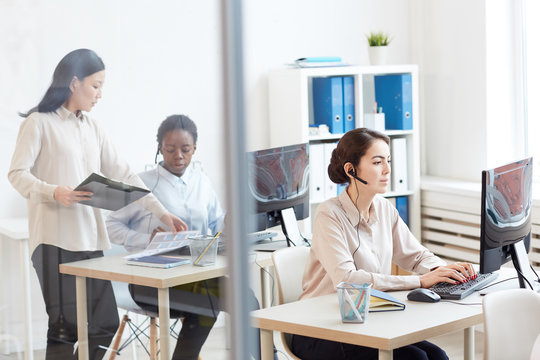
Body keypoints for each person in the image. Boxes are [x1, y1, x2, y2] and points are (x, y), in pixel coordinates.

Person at [8, 49, 186, 360]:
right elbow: (16, 174)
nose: (100, 94)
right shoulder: (39, 123)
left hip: (90, 241)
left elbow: (125, 173)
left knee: (104, 326)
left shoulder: (92, 127)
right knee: (64, 329)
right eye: (96, 85)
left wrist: (162, 211)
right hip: (54, 242)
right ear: (74, 83)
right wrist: (54, 192)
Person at [291, 128, 476, 360]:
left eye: (387, 161)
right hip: (319, 330)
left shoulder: (384, 208)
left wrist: (444, 271)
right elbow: (347, 279)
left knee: (437, 356)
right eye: (378, 162)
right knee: (415, 359)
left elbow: (415, 255)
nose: (388, 170)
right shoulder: (329, 214)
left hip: (367, 323)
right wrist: (419, 281)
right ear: (351, 170)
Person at [107, 114, 274, 360]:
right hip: (148, 283)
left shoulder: (201, 181)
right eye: (170, 149)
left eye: (185, 149)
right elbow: (111, 225)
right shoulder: (144, 184)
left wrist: (230, 222)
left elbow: (216, 226)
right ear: (159, 148)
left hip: (195, 278)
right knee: (210, 301)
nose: (178, 156)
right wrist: (146, 239)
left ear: (194, 148)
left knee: (243, 298)